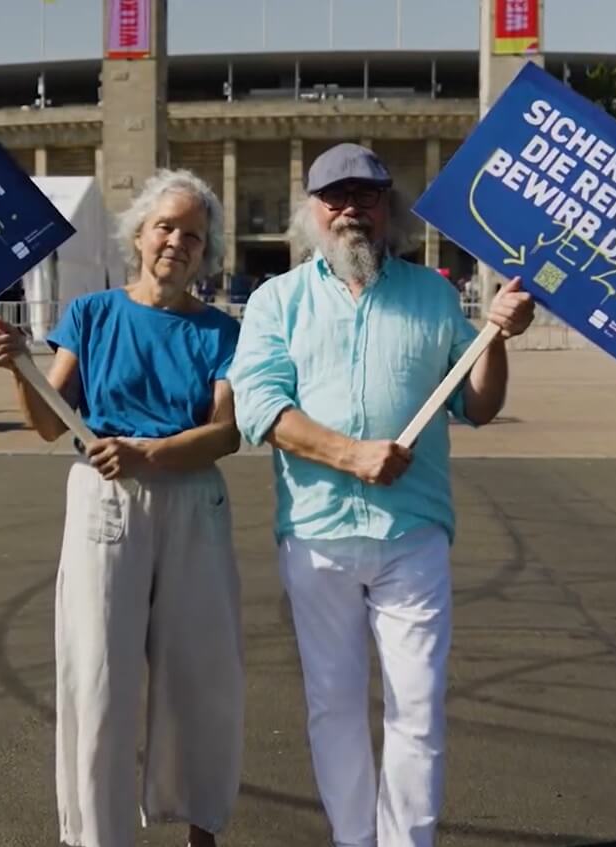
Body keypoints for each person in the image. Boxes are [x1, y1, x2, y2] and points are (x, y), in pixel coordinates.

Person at [229, 143, 535, 847]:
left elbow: (476, 405)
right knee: (332, 703)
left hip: (413, 532)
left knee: (418, 705)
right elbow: (260, 409)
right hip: (315, 533)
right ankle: (352, 837)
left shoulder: (432, 294)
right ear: (308, 212)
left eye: (365, 196)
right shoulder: (277, 301)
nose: (350, 210)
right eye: (334, 197)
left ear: (387, 207)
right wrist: (349, 454)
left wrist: (495, 336)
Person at [0, 169, 243, 847]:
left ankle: (199, 820)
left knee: (197, 670)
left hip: (189, 495)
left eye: (192, 234)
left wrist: (149, 453)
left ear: (205, 251)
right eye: (166, 227)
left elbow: (225, 431)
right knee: (97, 671)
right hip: (104, 497)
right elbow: (46, 421)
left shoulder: (219, 330)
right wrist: (19, 366)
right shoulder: (93, 314)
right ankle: (96, 833)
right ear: (138, 234)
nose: (176, 243)